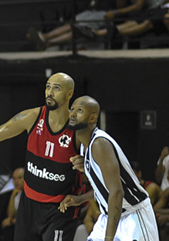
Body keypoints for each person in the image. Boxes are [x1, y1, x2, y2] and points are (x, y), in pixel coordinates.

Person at [0, 72, 81, 241]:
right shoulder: (32, 117)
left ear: (69, 94)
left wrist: (86, 166)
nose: (50, 92)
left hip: (59, 209)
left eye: (56, 88)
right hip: (29, 206)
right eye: (48, 87)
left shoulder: (79, 130)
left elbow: (103, 174)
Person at [59, 96, 158, 241]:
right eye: (72, 109)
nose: (72, 113)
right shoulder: (83, 147)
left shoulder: (99, 144)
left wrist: (109, 238)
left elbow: (117, 192)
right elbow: (104, 188)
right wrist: (80, 199)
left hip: (133, 216)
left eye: (79, 110)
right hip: (110, 216)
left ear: (92, 118)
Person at [1, 167, 25, 241]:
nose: (16, 181)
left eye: (20, 178)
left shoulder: (31, 195)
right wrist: (12, 196)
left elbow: (28, 218)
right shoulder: (17, 192)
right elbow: (10, 215)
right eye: (14, 179)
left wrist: (12, 221)